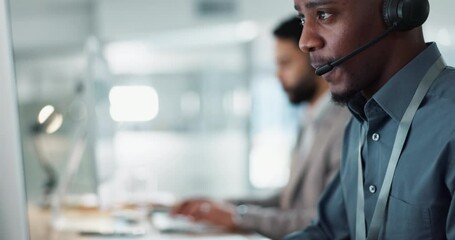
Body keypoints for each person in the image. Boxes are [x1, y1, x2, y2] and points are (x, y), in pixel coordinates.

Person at [285, 0, 455, 239]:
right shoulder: (358, 121)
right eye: (303, 19)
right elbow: (329, 233)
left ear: (400, 11)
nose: (305, 41)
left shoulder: (449, 123)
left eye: (323, 14)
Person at [171, 16, 350, 240]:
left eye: (286, 63)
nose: (278, 75)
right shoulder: (309, 121)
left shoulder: (345, 125)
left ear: (316, 60)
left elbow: (324, 221)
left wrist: (239, 217)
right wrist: (224, 206)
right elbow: (287, 201)